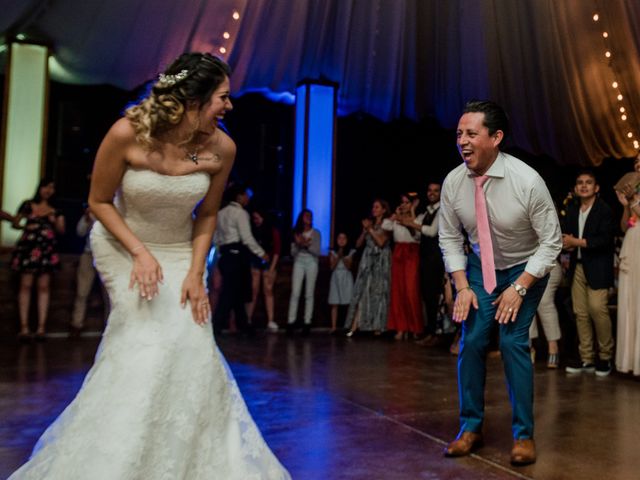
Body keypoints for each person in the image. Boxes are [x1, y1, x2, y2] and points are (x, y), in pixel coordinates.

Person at [9, 52, 290, 479]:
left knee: (191, 341)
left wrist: (197, 272)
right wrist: (140, 252)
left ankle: (189, 458)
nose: (229, 106)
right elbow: (98, 202)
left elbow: (208, 215)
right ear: (192, 101)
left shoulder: (222, 148)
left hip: (180, 251)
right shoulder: (127, 133)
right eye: (222, 97)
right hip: (123, 246)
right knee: (143, 343)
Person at [439, 100, 561, 466]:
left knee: (511, 343)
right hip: (480, 268)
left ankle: (523, 435)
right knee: (471, 340)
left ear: (496, 138)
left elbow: (552, 242)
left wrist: (521, 286)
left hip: (526, 266)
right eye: (459, 133)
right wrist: (461, 285)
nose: (462, 140)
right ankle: (470, 428)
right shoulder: (453, 182)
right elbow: (448, 237)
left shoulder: (527, 181)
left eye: (471, 133)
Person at [562, 171, 615, 377]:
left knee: (597, 310)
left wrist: (577, 242)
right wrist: (567, 245)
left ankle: (605, 357)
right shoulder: (572, 209)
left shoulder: (604, 210)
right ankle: (587, 358)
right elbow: (568, 238)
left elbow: (605, 240)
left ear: (596, 187)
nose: (584, 186)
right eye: (580, 183)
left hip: (599, 267)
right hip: (578, 266)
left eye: (589, 182)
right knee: (580, 313)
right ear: (576, 188)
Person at [11, 178, 65, 342]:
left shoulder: (56, 210)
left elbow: (62, 230)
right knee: (25, 285)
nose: (48, 190)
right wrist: (27, 226)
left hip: (46, 249)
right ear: (39, 188)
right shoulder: (28, 205)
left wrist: (54, 221)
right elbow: (15, 223)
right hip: (28, 248)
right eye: (45, 187)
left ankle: (41, 328)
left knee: (43, 287)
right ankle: (24, 328)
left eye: (52, 188)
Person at [213, 183, 269, 336]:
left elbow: (216, 238)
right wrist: (261, 253)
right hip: (237, 256)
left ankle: (243, 325)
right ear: (239, 196)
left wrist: (220, 256)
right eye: (246, 195)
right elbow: (247, 238)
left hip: (225, 255)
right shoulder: (241, 213)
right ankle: (216, 326)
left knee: (235, 293)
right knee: (230, 293)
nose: (248, 199)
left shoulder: (221, 213)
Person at [345, 199, 392, 336]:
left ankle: (378, 327)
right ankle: (355, 326)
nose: (374, 209)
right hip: (368, 259)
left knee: (379, 292)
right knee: (363, 291)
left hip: (381, 260)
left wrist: (370, 229)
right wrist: (365, 230)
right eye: (373, 207)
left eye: (377, 207)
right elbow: (358, 244)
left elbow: (381, 242)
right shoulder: (369, 224)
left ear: (383, 210)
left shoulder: (387, 224)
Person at [383, 193, 424, 340]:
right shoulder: (397, 220)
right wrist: (396, 215)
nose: (404, 205)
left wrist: (411, 212)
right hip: (399, 253)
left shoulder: (419, 218)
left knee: (411, 291)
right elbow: (385, 225)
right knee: (398, 291)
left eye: (407, 202)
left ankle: (415, 328)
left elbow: (417, 235)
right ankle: (401, 328)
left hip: (412, 253)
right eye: (403, 202)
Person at [614, 155, 640, 375]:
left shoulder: (635, 195)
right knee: (630, 300)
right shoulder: (633, 192)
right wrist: (625, 206)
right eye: (637, 161)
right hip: (632, 242)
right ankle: (630, 361)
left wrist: (633, 201)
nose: (638, 165)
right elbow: (625, 226)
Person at [414, 182, 446, 346]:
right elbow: (418, 236)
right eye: (430, 190)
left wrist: (411, 224)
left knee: (434, 296)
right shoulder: (427, 212)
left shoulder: (441, 210)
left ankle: (436, 333)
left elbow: (432, 231)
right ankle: (430, 331)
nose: (432, 193)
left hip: (436, 259)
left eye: (436, 190)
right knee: (427, 296)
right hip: (426, 258)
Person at [69, 205, 104, 338]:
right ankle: (76, 325)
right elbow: (80, 232)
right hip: (89, 254)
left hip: (108, 254)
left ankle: (109, 327)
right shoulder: (91, 211)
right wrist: (87, 218)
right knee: (82, 292)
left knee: (109, 294)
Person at [286, 209, 321, 335]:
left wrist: (307, 245)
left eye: (310, 216)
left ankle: (307, 323)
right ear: (301, 218)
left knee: (309, 294)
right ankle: (291, 322)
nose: (309, 218)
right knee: (295, 293)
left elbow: (317, 251)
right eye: (306, 216)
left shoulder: (316, 233)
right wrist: (299, 244)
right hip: (299, 262)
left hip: (311, 262)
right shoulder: (296, 233)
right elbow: (292, 253)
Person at [247, 208, 281, 332]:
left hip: (269, 261)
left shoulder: (272, 231)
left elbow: (277, 251)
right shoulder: (252, 230)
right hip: (255, 261)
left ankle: (271, 320)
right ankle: (248, 319)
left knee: (268, 290)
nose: (255, 221)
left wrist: (272, 269)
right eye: (254, 218)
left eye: (257, 218)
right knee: (254, 290)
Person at [328, 232, 355, 334]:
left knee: (348, 302)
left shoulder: (351, 252)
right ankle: (334, 327)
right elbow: (332, 266)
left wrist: (343, 257)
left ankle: (349, 326)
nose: (341, 240)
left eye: (344, 238)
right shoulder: (332, 252)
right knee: (334, 303)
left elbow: (349, 266)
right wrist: (337, 256)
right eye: (339, 238)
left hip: (346, 276)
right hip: (336, 276)